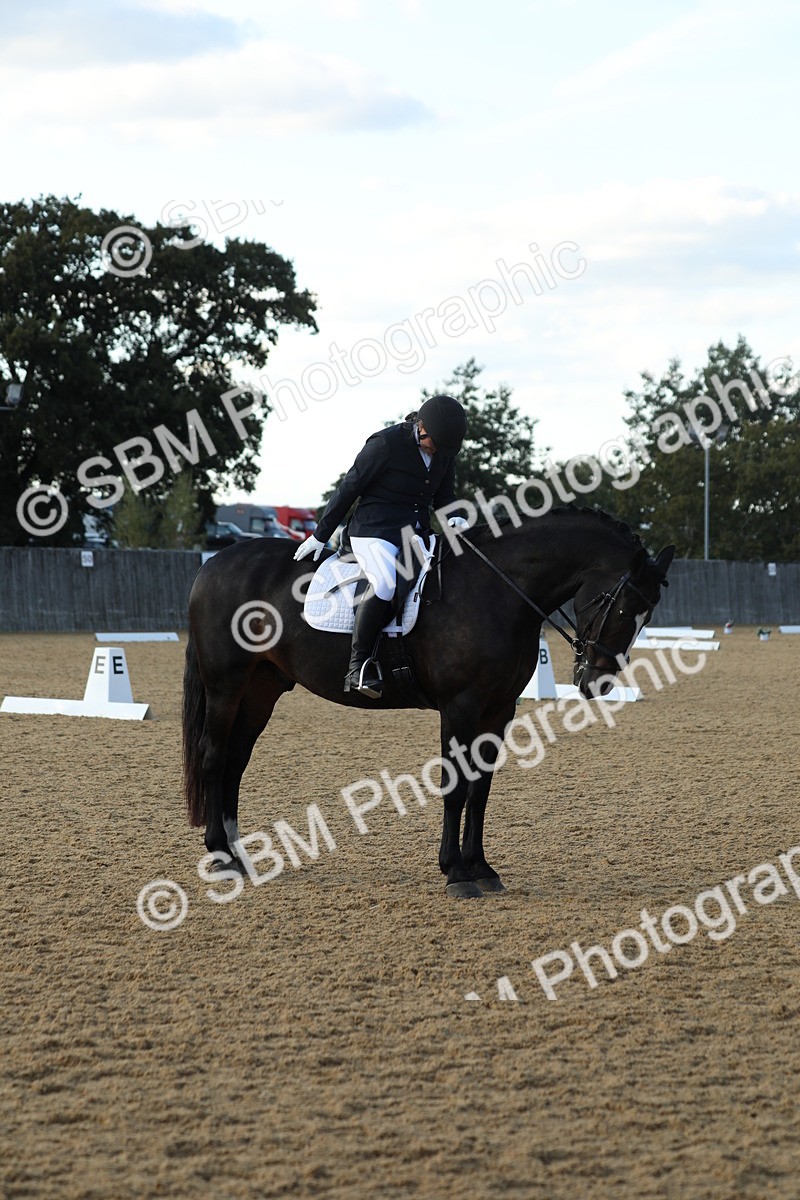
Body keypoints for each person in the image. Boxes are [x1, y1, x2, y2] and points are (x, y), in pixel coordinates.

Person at [295, 394, 468, 698]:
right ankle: (357, 665)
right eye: (435, 444)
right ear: (422, 426)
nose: (439, 451)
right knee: (385, 582)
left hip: (415, 532)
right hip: (373, 530)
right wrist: (321, 535)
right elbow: (349, 489)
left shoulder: (443, 449)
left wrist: (454, 518)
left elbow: (444, 495)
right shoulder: (386, 444)